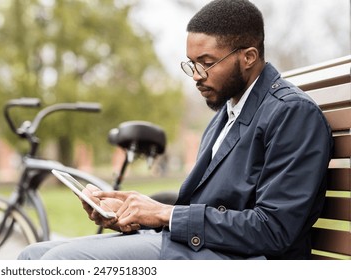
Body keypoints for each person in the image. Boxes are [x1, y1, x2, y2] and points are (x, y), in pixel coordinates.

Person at [18, 0, 333, 260]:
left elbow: (274, 229)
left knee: (61, 262)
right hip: (205, 248)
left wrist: (165, 215)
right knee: (32, 256)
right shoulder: (228, 113)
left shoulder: (292, 114)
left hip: (242, 260)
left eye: (206, 62)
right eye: (191, 63)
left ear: (248, 57)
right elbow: (203, 203)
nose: (196, 76)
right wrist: (133, 209)